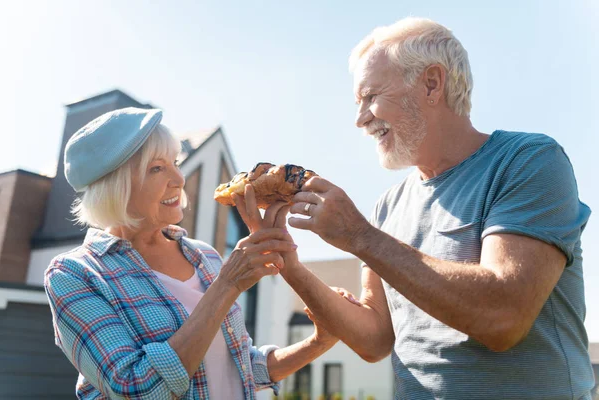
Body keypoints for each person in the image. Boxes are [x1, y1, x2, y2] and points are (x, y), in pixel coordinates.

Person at [268, 17, 595, 399]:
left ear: (431, 84)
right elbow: (375, 339)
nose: (360, 119)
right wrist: (286, 262)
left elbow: (504, 318)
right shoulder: (388, 207)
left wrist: (358, 235)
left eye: (371, 97)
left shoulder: (528, 161)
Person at [44, 107, 347, 400]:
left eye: (175, 162)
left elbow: (239, 367)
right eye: (157, 168)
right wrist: (226, 287)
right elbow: (138, 389)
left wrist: (319, 341)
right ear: (114, 188)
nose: (178, 179)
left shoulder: (204, 256)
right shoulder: (74, 274)